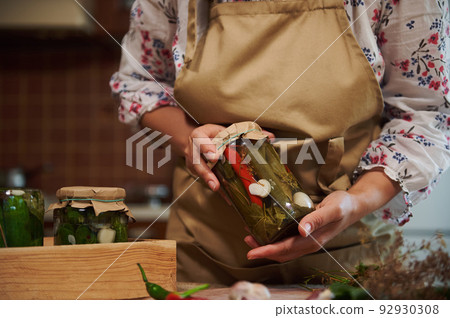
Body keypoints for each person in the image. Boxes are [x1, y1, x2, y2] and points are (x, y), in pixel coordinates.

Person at [111, 0, 450, 284]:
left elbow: (426, 114)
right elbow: (140, 83)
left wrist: (356, 203)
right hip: (206, 256)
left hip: (351, 255)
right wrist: (190, 138)